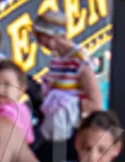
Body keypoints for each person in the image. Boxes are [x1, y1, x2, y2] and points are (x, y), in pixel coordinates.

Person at [34, 11, 101, 143]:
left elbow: (96, 104)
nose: (39, 42)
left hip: (70, 132)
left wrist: (66, 104)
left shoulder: (79, 60)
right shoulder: (57, 59)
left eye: (40, 37)